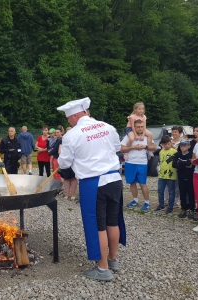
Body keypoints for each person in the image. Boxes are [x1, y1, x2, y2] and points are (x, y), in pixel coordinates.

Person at [57, 97, 126, 282]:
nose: (68, 121)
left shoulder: (72, 135)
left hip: (94, 183)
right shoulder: (107, 126)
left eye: (69, 118)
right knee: (113, 221)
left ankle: (102, 268)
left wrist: (61, 157)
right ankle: (113, 259)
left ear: (75, 115)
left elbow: (64, 162)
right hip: (114, 179)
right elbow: (117, 147)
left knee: (98, 226)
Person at [122, 119, 157, 211]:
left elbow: (154, 147)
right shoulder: (129, 136)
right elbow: (121, 149)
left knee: (142, 183)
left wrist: (146, 147)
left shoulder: (147, 137)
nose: (140, 128)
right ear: (134, 127)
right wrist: (133, 147)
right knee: (132, 182)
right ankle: (135, 200)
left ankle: (147, 202)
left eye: (142, 126)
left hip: (142, 163)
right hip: (130, 162)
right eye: (138, 127)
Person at [154, 135, 178, 214]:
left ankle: (170, 207)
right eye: (164, 144)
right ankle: (161, 205)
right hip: (162, 175)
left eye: (168, 144)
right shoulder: (161, 152)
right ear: (162, 144)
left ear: (170, 143)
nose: (166, 146)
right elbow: (161, 162)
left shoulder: (174, 152)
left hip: (171, 175)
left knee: (171, 192)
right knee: (160, 191)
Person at [172, 139, 195, 218]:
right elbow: (174, 165)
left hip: (190, 176)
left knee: (191, 193)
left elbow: (191, 164)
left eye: (185, 145)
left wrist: (181, 163)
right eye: (181, 145)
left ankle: (191, 209)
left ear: (189, 146)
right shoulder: (177, 154)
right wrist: (185, 165)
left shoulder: (191, 154)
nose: (183, 147)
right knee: (182, 193)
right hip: (181, 176)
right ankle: (183, 208)